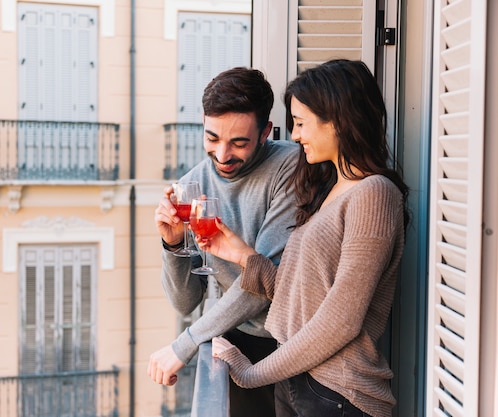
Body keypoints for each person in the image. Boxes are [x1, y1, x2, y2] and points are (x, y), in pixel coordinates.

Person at [200, 59, 409, 417]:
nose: (295, 136)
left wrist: (251, 374)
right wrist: (242, 256)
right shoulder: (328, 190)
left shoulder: (375, 194)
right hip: (301, 383)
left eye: (300, 123)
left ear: (339, 120)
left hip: (339, 393)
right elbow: (304, 295)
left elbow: (341, 320)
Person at [147, 67, 300, 417]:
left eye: (239, 142)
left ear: (266, 133)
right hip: (237, 344)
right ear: (203, 122)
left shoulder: (290, 167)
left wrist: (183, 344)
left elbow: (262, 280)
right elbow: (185, 302)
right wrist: (172, 246)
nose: (222, 155)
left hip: (292, 343)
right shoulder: (192, 184)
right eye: (212, 138)